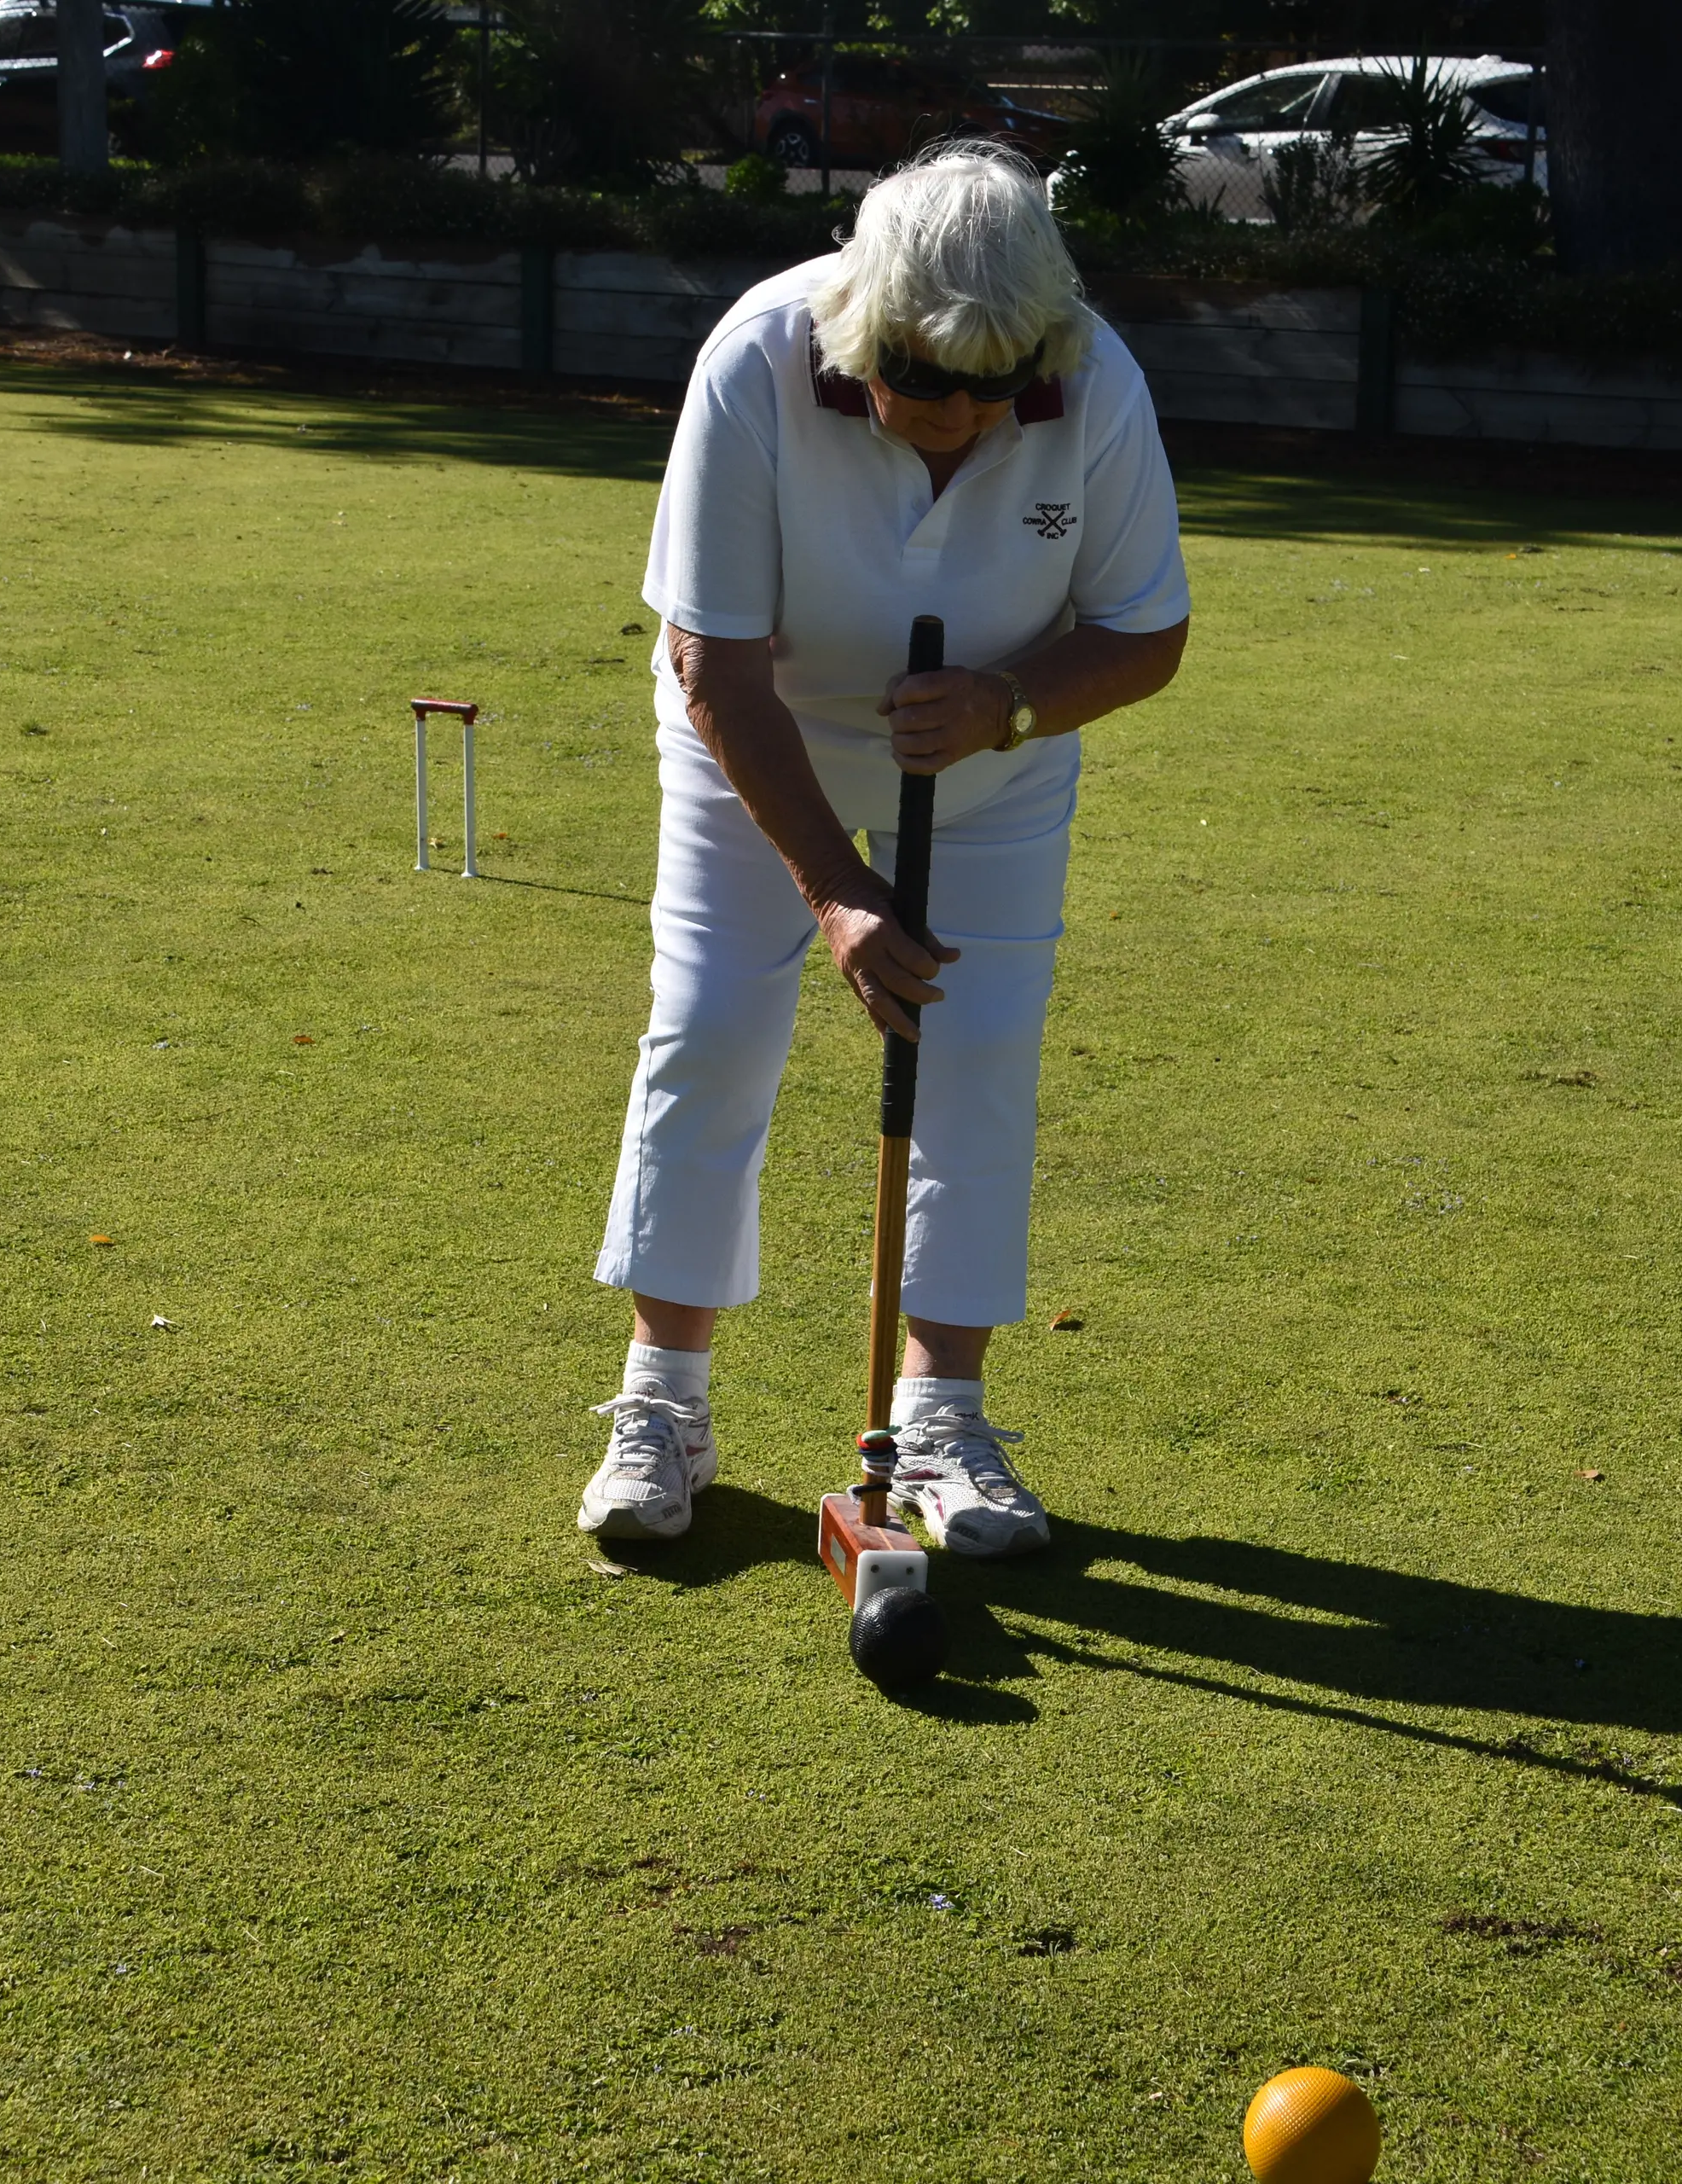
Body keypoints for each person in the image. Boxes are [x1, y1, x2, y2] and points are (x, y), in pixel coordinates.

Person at [577, 142, 1191, 1554]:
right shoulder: (755, 363)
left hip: (986, 760)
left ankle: (940, 1422)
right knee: (712, 1023)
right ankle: (663, 1402)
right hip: (760, 742)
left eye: (999, 389)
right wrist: (841, 895)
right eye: (925, 383)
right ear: (864, 334)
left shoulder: (1094, 385)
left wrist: (1010, 704)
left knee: (976, 1049)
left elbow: (1147, 631)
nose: (963, 418)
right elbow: (713, 665)